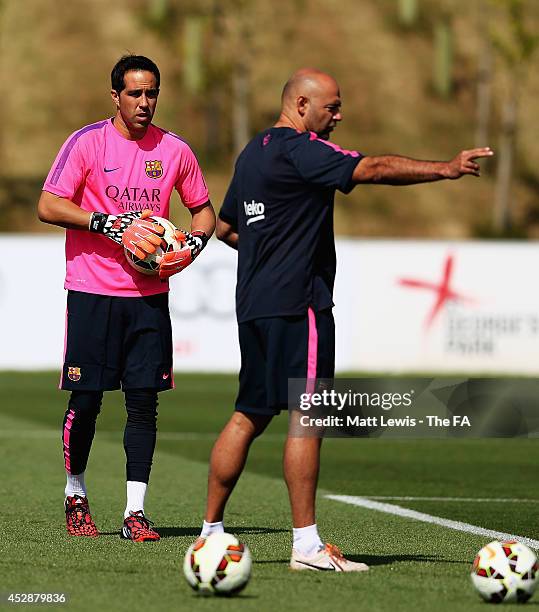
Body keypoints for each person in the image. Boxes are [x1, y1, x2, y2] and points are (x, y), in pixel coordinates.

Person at [200, 68, 493, 570]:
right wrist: (444, 169)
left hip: (255, 305)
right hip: (300, 306)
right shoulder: (302, 149)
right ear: (300, 106)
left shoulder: (253, 151)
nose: (339, 115)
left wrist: (268, 255)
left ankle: (209, 534)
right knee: (307, 417)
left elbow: (226, 227)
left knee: (249, 413)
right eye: (331, 107)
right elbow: (373, 168)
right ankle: (308, 547)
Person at [38, 54, 215, 542]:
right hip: (94, 290)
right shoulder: (87, 143)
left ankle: (135, 512)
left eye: (152, 92)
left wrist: (192, 246)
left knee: (144, 403)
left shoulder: (175, 150)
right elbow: (48, 204)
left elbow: (203, 211)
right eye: (135, 93)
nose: (145, 102)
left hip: (149, 295)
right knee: (88, 398)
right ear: (115, 96)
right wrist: (105, 223)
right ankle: (76, 494)